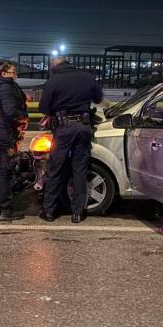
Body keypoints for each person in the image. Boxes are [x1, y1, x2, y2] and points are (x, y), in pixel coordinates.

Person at [38, 56, 103, 223]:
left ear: (54, 67)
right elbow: (98, 99)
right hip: (84, 126)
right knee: (80, 170)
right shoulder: (87, 77)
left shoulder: (54, 80)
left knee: (56, 169)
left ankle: (49, 211)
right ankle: (78, 212)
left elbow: (43, 107)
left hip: (64, 128)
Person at [0, 60, 28, 221]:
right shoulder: (6, 87)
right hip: (5, 134)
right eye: (12, 72)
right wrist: (21, 117)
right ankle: (6, 211)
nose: (15, 75)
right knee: (5, 172)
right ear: (4, 74)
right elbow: (10, 112)